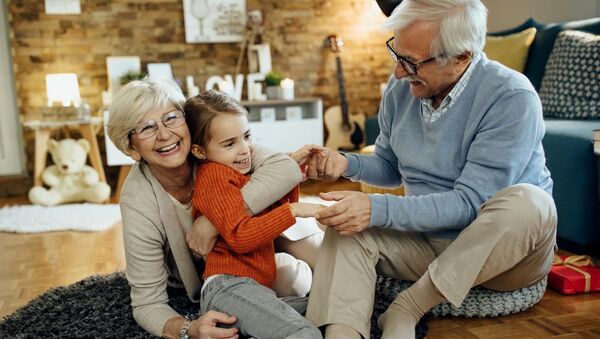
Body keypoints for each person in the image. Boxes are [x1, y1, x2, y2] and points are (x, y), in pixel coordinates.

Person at [301, 0, 557, 338]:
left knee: (530, 202)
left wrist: (376, 208)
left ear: (462, 56)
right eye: (397, 54)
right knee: (347, 227)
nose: (398, 72)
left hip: (503, 255)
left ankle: (407, 308)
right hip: (426, 242)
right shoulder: (401, 89)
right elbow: (390, 167)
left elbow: (470, 205)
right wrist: (346, 163)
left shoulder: (511, 97)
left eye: (411, 62)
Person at [107, 78, 322, 339]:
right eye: (147, 128)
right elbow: (147, 305)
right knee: (296, 318)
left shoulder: (219, 144)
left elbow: (282, 170)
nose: (164, 134)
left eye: (171, 118)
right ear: (131, 147)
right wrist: (189, 329)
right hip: (221, 280)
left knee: (325, 284)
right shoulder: (138, 200)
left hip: (260, 253)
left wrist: (211, 222)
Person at [184, 90, 324, 338]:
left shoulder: (240, 174)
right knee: (304, 333)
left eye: (246, 136)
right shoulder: (214, 176)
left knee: (330, 310)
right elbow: (241, 237)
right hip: (228, 287)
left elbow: (272, 214)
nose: (244, 150)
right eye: (229, 144)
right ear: (199, 152)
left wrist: (292, 172)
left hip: (255, 289)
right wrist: (293, 211)